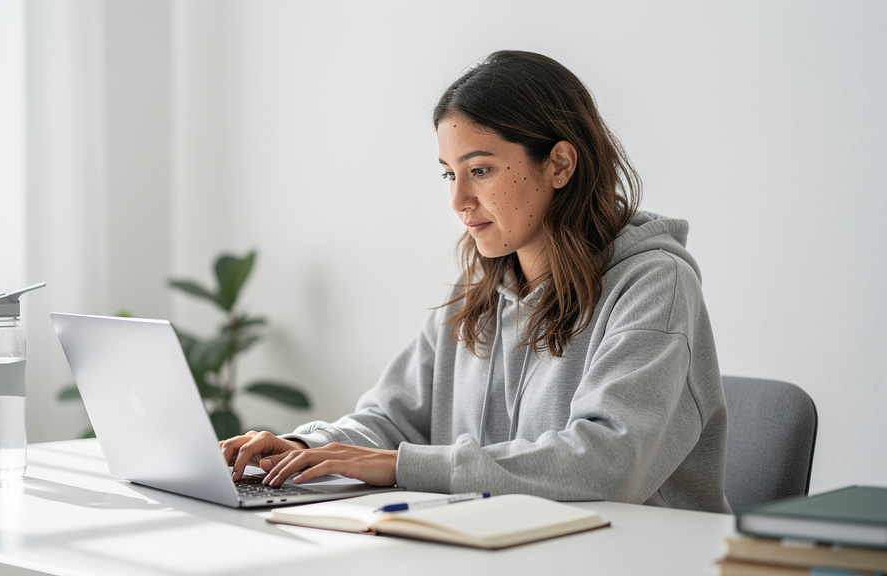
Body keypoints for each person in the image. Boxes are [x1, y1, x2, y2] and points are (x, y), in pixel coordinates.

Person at [221, 50, 732, 513]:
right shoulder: (479, 292)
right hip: (501, 550)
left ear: (559, 164)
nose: (458, 200)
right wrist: (306, 448)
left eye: (480, 170)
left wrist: (400, 466)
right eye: (450, 174)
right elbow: (391, 419)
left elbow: (606, 462)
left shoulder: (656, 285)